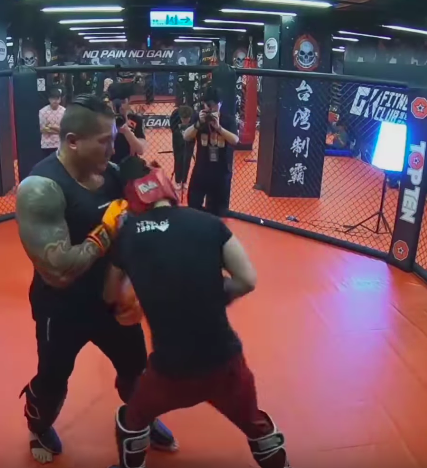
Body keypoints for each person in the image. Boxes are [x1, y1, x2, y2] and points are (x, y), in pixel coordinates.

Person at [15, 95, 176, 464]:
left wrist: (158, 197)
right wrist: (106, 231)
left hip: (110, 299)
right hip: (62, 308)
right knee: (52, 382)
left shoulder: (114, 173)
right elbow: (59, 271)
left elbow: (151, 227)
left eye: (113, 138)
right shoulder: (41, 188)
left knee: (138, 373)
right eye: (104, 141)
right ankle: (38, 425)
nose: (112, 148)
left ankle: (141, 418)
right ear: (73, 141)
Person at [104, 157, 291, 468]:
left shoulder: (128, 235)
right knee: (256, 425)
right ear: (165, 186)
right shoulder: (209, 223)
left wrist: (145, 286)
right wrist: (207, 294)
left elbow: (111, 295)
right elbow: (247, 280)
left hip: (170, 370)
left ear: (131, 198)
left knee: (132, 420)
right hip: (225, 362)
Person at [184, 86, 239, 216]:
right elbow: (186, 136)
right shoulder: (199, 118)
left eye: (214, 106)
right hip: (202, 169)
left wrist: (219, 128)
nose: (211, 109)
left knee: (218, 211)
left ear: (220, 104)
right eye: (208, 105)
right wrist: (198, 124)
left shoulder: (227, 119)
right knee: (193, 205)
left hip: (221, 171)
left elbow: (235, 140)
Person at [108, 82, 147, 165]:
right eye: (116, 103)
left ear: (128, 101)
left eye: (123, 102)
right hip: (108, 164)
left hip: (129, 164)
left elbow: (140, 150)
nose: (120, 106)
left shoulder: (135, 120)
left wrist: (127, 131)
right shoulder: (103, 119)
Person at [169, 104, 195, 191]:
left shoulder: (194, 116)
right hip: (177, 140)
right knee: (178, 159)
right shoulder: (175, 115)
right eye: (183, 119)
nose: (185, 121)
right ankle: (177, 181)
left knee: (187, 159)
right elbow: (173, 129)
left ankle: (184, 181)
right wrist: (181, 135)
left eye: (187, 119)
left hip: (190, 141)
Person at [38, 88, 66, 161]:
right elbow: (43, 129)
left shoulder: (64, 111)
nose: (55, 101)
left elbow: (64, 130)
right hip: (46, 144)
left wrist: (50, 126)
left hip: (60, 144)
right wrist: (57, 129)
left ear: (60, 99)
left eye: (57, 98)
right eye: (53, 98)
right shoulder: (42, 111)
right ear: (49, 99)